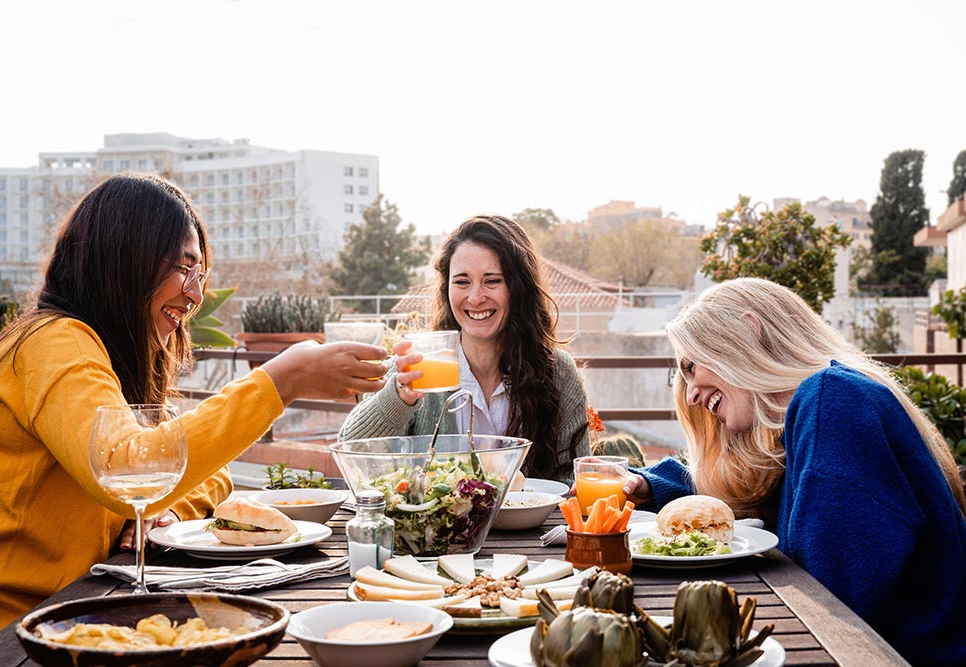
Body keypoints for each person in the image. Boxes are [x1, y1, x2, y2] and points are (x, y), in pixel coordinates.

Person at [0, 173, 387, 650]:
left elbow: (207, 472)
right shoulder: (54, 343)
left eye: (200, 274)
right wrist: (281, 381)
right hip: (2, 638)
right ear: (126, 261)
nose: (195, 294)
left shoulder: (110, 362)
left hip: (80, 619)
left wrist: (159, 506)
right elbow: (122, 467)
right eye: (184, 268)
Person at [622, 277, 966, 667]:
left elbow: (826, 606)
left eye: (690, 367)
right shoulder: (824, 408)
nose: (690, 396)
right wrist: (656, 483)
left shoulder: (833, 401)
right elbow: (757, 491)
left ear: (749, 333)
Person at [338, 214, 589, 482]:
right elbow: (349, 452)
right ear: (446, 288)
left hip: (534, 524)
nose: (476, 297)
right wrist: (398, 398)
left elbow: (573, 480)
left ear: (519, 288)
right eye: (462, 282)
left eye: (492, 281)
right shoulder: (416, 367)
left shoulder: (557, 371)